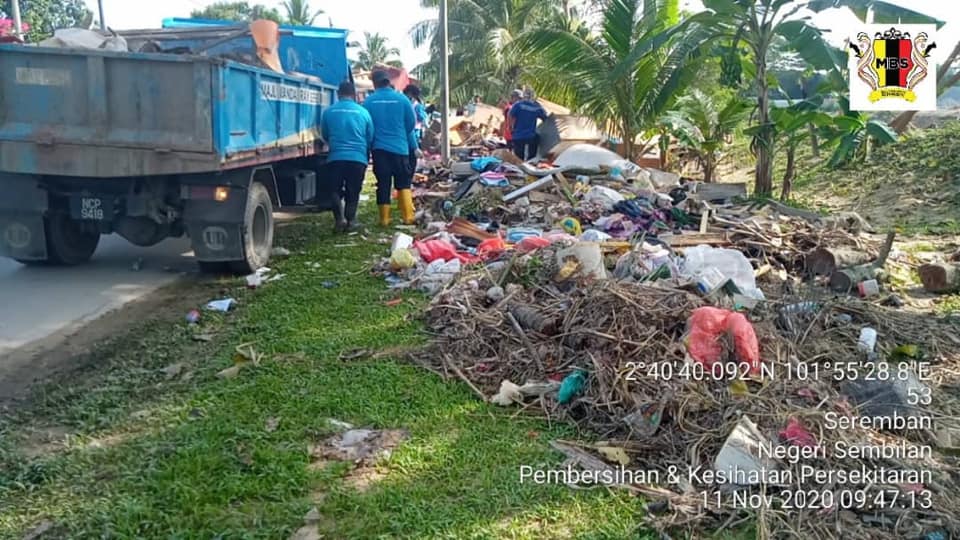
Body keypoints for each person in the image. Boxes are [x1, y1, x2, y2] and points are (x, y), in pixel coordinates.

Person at [363, 70, 416, 226]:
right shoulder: (402, 99)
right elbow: (411, 124)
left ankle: (384, 219)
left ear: (375, 83)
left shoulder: (369, 101)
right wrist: (400, 134)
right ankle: (408, 217)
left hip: (379, 149)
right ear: (389, 82)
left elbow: (366, 125)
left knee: (383, 183)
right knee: (403, 181)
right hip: (400, 148)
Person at [320, 81, 374, 232]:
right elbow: (370, 137)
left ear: (338, 94)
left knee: (334, 189)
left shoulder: (329, 112)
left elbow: (325, 135)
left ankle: (339, 220)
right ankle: (351, 220)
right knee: (353, 189)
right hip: (358, 158)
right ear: (354, 95)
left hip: (335, 157)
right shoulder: (363, 112)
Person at [508, 88, 548, 161]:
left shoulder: (518, 105)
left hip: (518, 135)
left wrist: (510, 128)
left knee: (518, 159)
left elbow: (510, 115)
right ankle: (530, 162)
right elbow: (545, 117)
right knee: (531, 157)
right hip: (530, 136)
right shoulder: (537, 107)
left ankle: (520, 168)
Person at [403, 84, 428, 173]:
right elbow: (422, 117)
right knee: (412, 154)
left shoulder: (403, 101)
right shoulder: (416, 105)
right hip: (414, 132)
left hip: (407, 134)